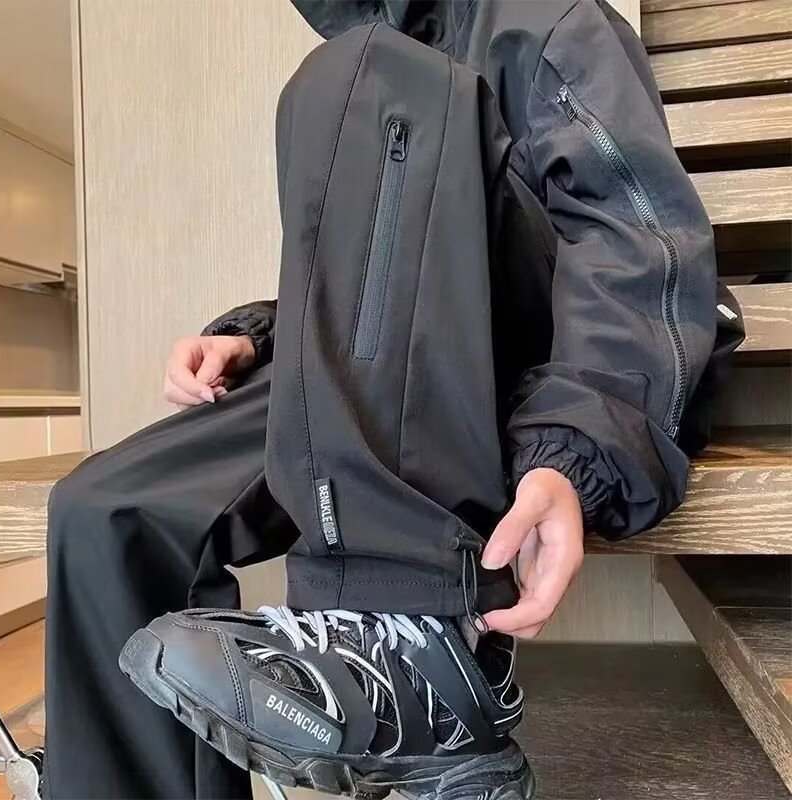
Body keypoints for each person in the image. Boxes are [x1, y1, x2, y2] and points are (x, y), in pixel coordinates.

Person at [44, 2, 743, 799]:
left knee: (367, 75)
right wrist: (257, 335)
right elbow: (375, 297)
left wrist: (578, 445)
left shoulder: (544, 19)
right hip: (406, 382)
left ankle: (420, 664)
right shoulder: (377, 64)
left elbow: (638, 241)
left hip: (569, 375)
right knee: (108, 510)